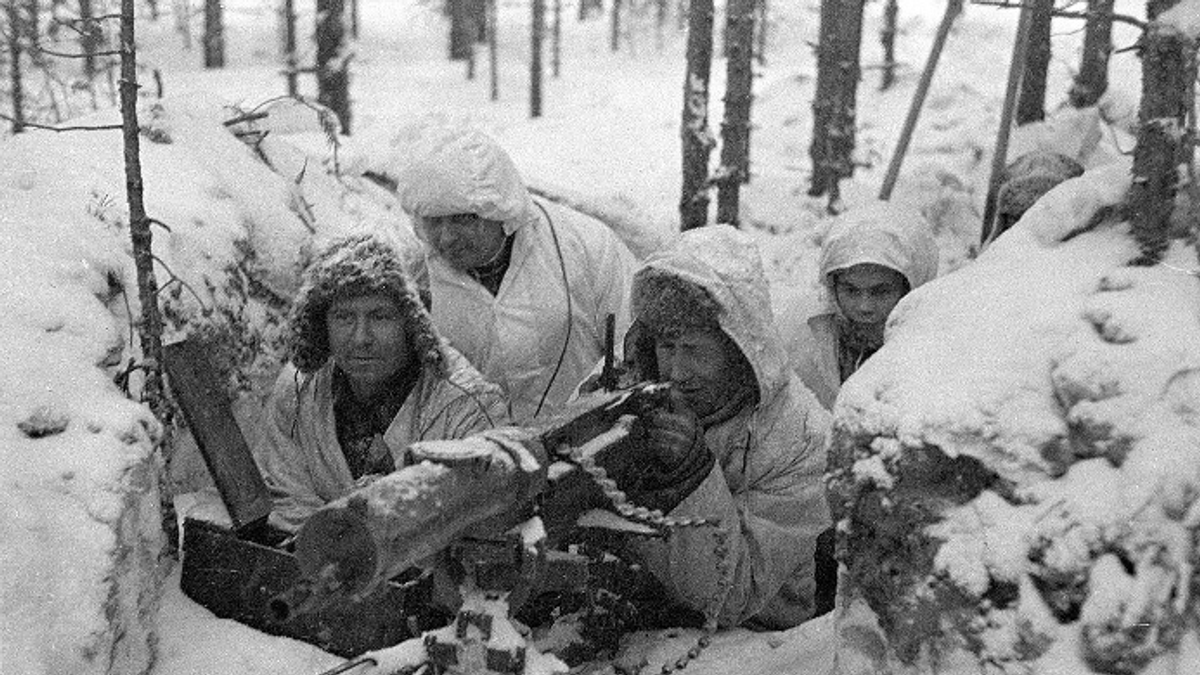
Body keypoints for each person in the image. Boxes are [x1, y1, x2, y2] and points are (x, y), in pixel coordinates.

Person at [586, 224, 831, 629]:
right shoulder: (622, 383)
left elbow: (736, 594)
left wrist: (692, 475)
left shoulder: (799, 436)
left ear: (738, 351)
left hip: (755, 639)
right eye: (667, 347)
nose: (678, 372)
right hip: (632, 619)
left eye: (697, 351)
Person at [255, 233, 509, 532]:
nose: (361, 338)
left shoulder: (465, 406)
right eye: (344, 317)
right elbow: (283, 498)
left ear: (414, 322)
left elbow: (483, 520)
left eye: (380, 316)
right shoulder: (299, 388)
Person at [394, 126, 637, 424]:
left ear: (500, 212)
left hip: (587, 437)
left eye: (462, 220)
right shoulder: (414, 274)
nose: (445, 238)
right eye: (433, 222)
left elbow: (635, 338)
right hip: (477, 455)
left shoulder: (586, 245)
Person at [777, 202, 939, 415]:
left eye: (880, 292)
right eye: (851, 290)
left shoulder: (936, 345)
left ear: (910, 288)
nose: (865, 307)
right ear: (833, 287)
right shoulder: (801, 332)